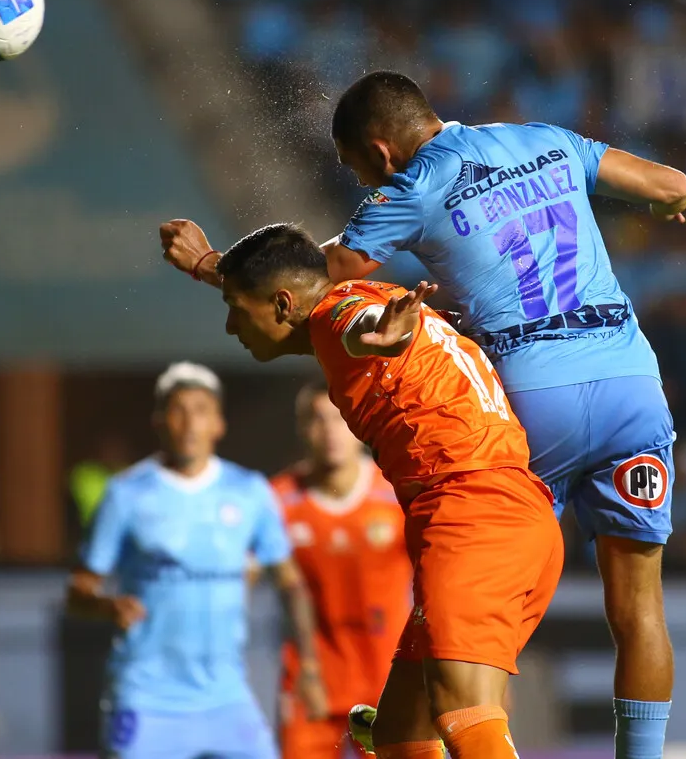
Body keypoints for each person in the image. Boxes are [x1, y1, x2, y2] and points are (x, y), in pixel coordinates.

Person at [161, 70, 686, 759]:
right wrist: (670, 202)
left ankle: (467, 729)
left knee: (467, 642)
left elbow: (316, 286)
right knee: (638, 609)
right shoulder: (542, 138)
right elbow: (668, 182)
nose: (359, 185)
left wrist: (211, 266)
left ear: (381, 153)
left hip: (531, 405)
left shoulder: (412, 189)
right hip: (631, 382)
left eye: (355, 170)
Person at [171, 223, 563, 759]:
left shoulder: (341, 317)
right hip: (511, 511)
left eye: (237, 308)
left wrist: (378, 334)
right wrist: (208, 265)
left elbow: (355, 327)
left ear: (284, 303)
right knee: (401, 731)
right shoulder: (353, 294)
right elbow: (302, 285)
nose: (230, 325)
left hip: (473, 513)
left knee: (462, 709)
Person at [66, 362, 326, 759]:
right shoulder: (126, 494)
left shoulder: (249, 491)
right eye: (178, 410)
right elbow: (77, 593)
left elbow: (289, 582)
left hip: (226, 696)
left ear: (218, 424)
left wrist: (309, 665)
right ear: (159, 421)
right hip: (147, 696)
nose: (190, 423)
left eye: (201, 410)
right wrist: (107, 606)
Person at [272, 381, 412, 759]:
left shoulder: (397, 492)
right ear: (302, 429)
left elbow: (441, 578)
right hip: (311, 679)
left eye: (340, 419)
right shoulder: (279, 500)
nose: (330, 431)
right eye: (318, 420)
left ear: (358, 424)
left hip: (387, 678)